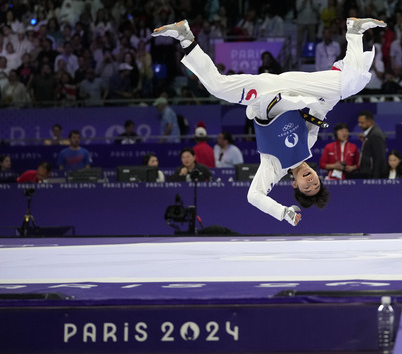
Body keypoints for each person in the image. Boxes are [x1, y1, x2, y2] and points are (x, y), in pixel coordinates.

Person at [152, 16, 386, 225]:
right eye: (316, 183)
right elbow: (321, 110)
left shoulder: (274, 167)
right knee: (351, 85)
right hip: (295, 88)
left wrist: (283, 212)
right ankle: (354, 31)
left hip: (264, 95)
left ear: (295, 186)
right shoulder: (309, 143)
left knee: (217, 88)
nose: (311, 183)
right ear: (318, 176)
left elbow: (253, 196)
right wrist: (333, 94)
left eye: (308, 188)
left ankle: (185, 37)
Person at [354, 110, 387, 179]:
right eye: (359, 122)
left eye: (362, 123)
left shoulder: (375, 135)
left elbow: (380, 158)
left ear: (370, 122)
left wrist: (376, 178)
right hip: (367, 172)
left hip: (372, 174)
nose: (359, 125)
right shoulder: (370, 134)